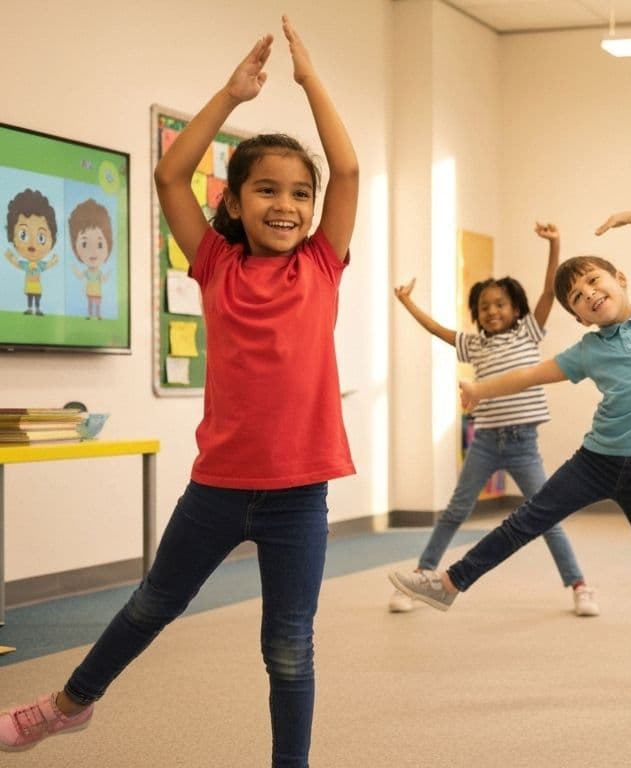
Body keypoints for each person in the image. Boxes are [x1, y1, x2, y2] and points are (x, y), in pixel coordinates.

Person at [0, 18, 357, 766]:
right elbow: (169, 177)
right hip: (219, 486)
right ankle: (63, 709)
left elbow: (348, 172)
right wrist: (230, 96)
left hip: (299, 495)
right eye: (266, 190)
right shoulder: (216, 265)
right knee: (152, 605)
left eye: (299, 193)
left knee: (289, 647)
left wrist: (311, 82)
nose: (285, 205)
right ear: (233, 203)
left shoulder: (321, 265)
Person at [389, 210, 631, 706]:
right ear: (579, 318)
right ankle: (447, 583)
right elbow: (529, 375)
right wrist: (479, 390)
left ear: (620, 280)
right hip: (596, 460)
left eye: (594, 280)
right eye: (577, 297)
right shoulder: (587, 351)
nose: (589, 293)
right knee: (526, 521)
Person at [387, 222, 598, 617]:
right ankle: (422, 577)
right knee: (454, 510)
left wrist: (556, 243)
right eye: (484, 307)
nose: (492, 311)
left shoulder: (528, 333)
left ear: (515, 309)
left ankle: (580, 585)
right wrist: (407, 303)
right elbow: (437, 329)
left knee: (546, 514)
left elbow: (549, 289)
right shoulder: (473, 343)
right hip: (485, 442)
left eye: (500, 304)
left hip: (523, 445)